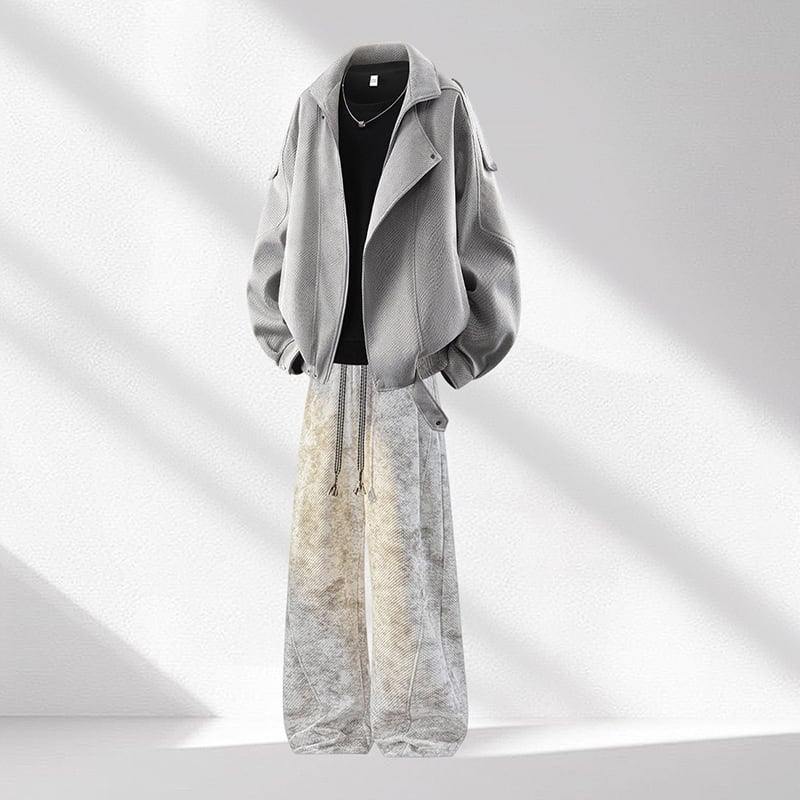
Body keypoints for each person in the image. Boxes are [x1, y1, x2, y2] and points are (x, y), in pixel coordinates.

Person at [247, 41, 520, 756]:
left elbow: (482, 232)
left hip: (406, 369)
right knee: (321, 565)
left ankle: (417, 722)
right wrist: (284, 337)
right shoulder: (313, 110)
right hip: (328, 369)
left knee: (410, 565)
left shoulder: (445, 108)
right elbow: (278, 221)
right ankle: (327, 722)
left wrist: (463, 352)